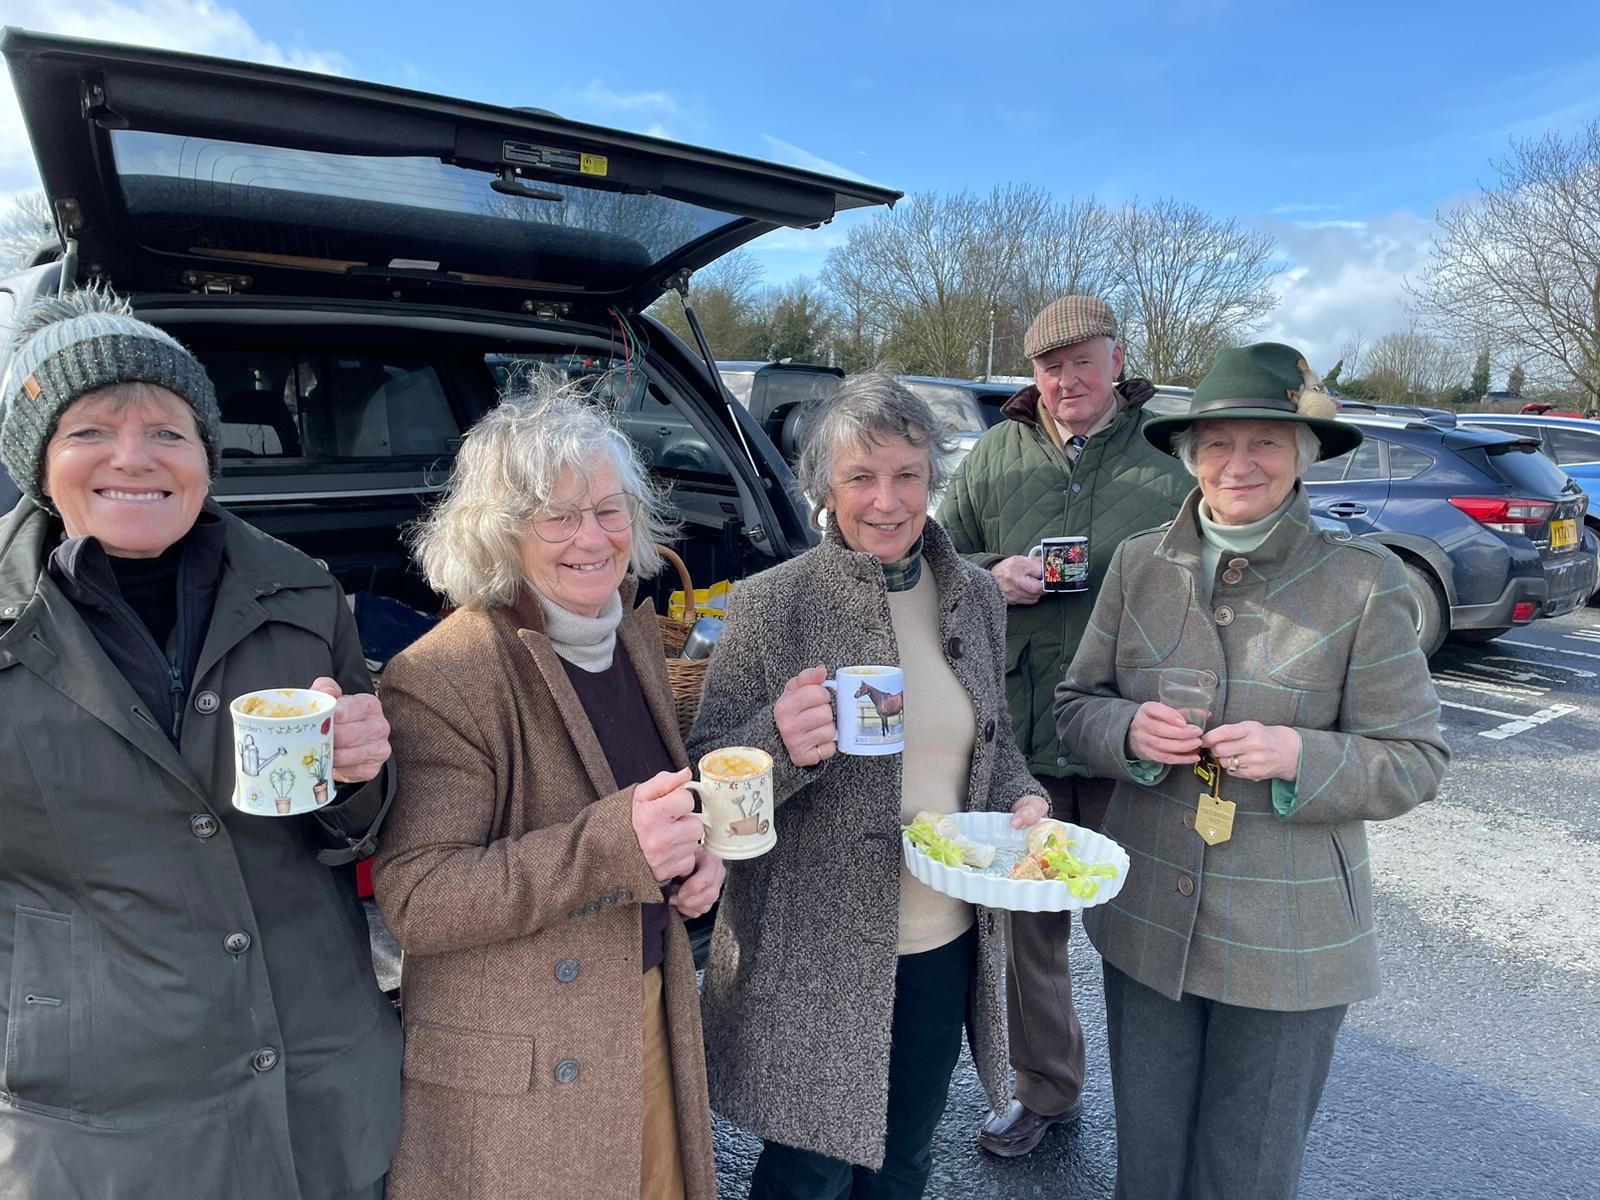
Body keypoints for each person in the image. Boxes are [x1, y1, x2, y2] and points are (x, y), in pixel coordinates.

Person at [0, 287, 400, 1198]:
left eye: (169, 432)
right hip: (102, 1112)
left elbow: (353, 837)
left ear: (208, 458)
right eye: (91, 431)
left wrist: (359, 776)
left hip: (320, 1078)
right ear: (38, 461)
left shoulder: (302, 593)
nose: (134, 459)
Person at [1055, 342, 1450, 1200]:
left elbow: (1417, 760)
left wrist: (1303, 755)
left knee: (1248, 1171)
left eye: (1265, 442)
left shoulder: (1363, 583)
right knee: (1148, 1167)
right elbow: (1076, 705)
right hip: (1150, 912)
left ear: (1302, 456)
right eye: (1219, 443)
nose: (1238, 464)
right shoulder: (1137, 563)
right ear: (1191, 454)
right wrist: (1127, 731)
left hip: (1291, 934)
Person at [688, 374, 1049, 1198]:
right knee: (807, 1173)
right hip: (813, 947)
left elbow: (993, 749)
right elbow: (708, 772)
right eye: (860, 477)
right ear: (824, 489)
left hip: (944, 941)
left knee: (902, 1164)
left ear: (932, 481)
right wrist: (780, 742)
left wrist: (1023, 800)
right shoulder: (770, 605)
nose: (886, 501)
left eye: (907, 475)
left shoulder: (977, 597)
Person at [371, 389, 724, 1200]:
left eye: (607, 509)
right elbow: (418, 899)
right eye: (557, 517)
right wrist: (616, 848)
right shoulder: (445, 674)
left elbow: (637, 824)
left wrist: (689, 867)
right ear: (501, 531)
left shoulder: (629, 633)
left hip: (644, 1014)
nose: (592, 539)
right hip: (524, 1076)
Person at [935, 294, 1191, 1155]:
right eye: (1050, 366)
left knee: (1142, 926)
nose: (1067, 379)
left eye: (1084, 360)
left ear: (1118, 360)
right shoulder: (998, 454)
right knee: (1027, 929)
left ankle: (1161, 1101)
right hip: (1021, 734)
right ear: (1032, 376)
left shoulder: (1168, 455)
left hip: (1131, 736)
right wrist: (988, 572)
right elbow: (935, 554)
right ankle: (1046, 1092)